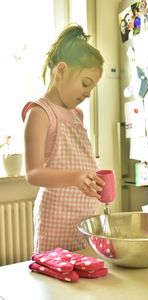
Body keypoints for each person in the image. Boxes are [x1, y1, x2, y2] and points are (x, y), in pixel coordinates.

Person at [22, 23, 105, 253]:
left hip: (86, 220)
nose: (89, 93)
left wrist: (93, 179)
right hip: (57, 219)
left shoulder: (77, 114)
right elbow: (33, 173)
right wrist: (77, 177)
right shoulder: (39, 113)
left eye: (93, 87)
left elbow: (78, 160)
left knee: (84, 280)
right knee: (56, 283)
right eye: (86, 83)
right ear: (61, 71)